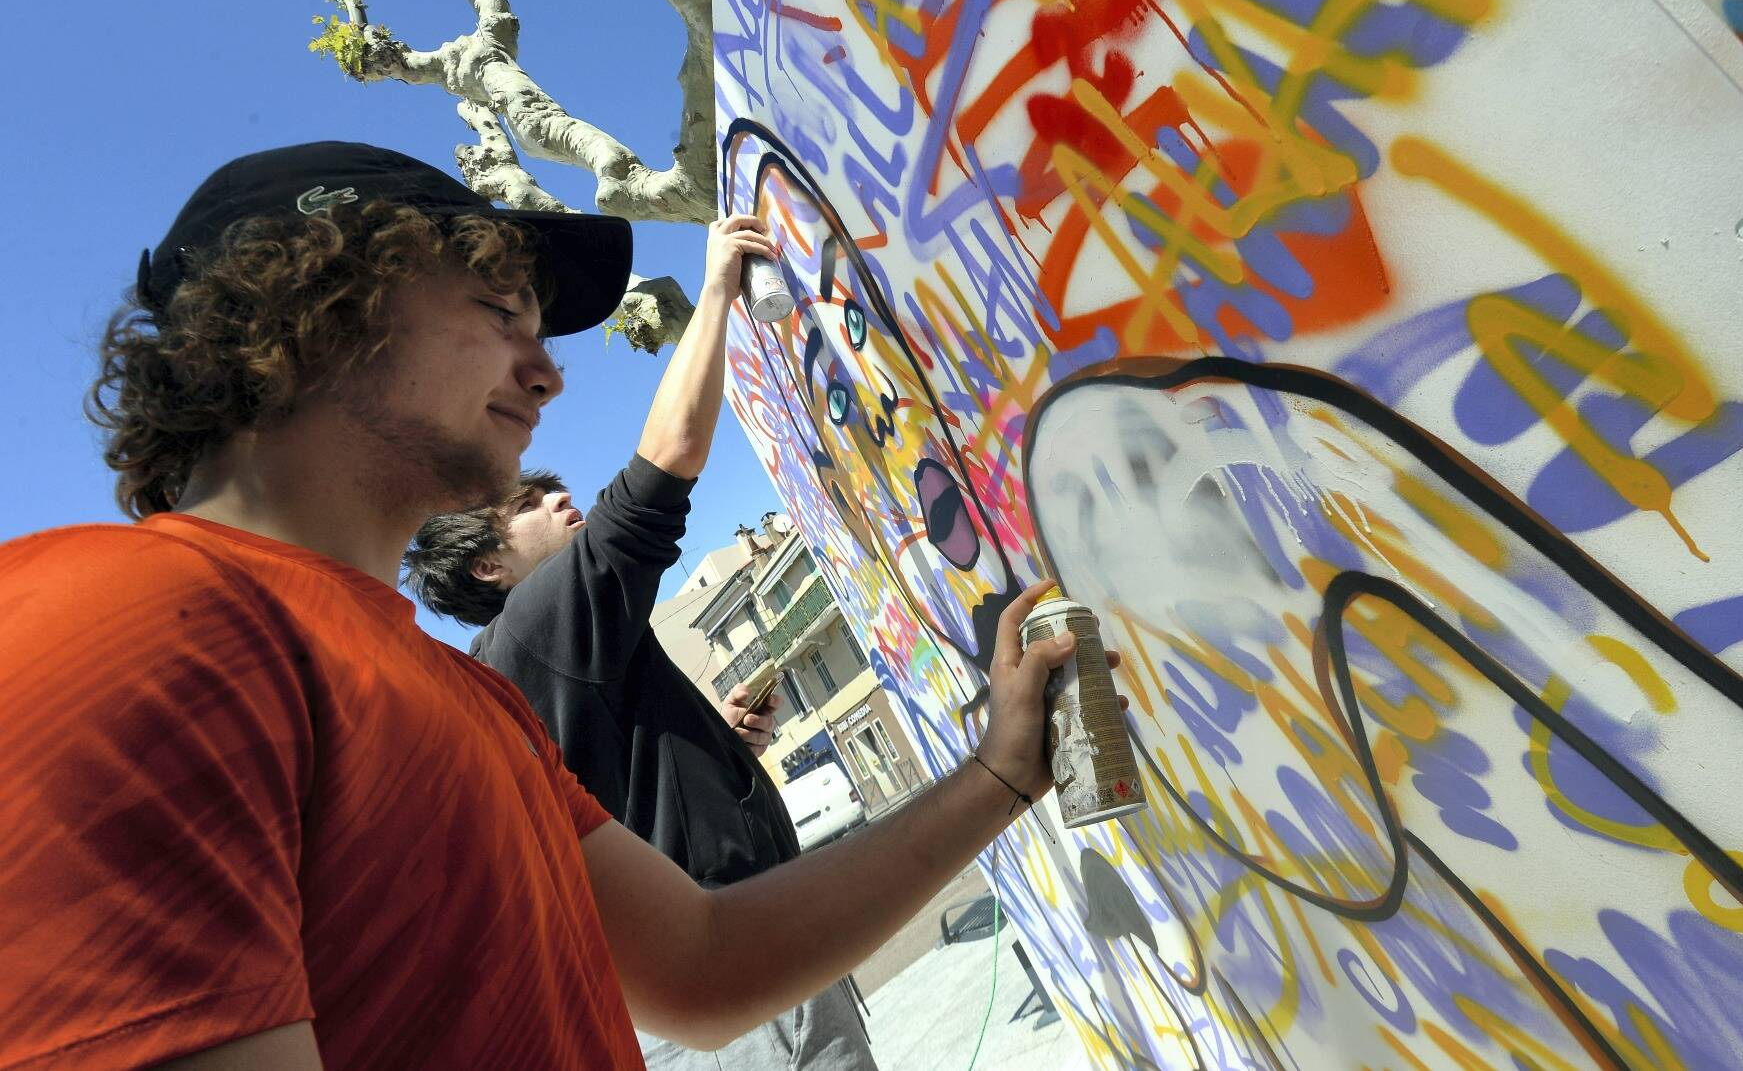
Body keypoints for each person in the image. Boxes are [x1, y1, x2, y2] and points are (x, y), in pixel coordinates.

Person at [0, 141, 1101, 1071]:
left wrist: (1000, 774)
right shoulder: (117, 619)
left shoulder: (472, 698)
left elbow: (706, 964)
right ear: (315, 308)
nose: (548, 372)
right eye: (497, 311)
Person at [403, 214, 876, 1071]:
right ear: (485, 567)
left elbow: (618, 812)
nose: (559, 500)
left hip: (716, 978)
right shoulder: (539, 618)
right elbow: (666, 462)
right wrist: (718, 287)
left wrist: (719, 752)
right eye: (526, 505)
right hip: (737, 976)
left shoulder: (523, 666)